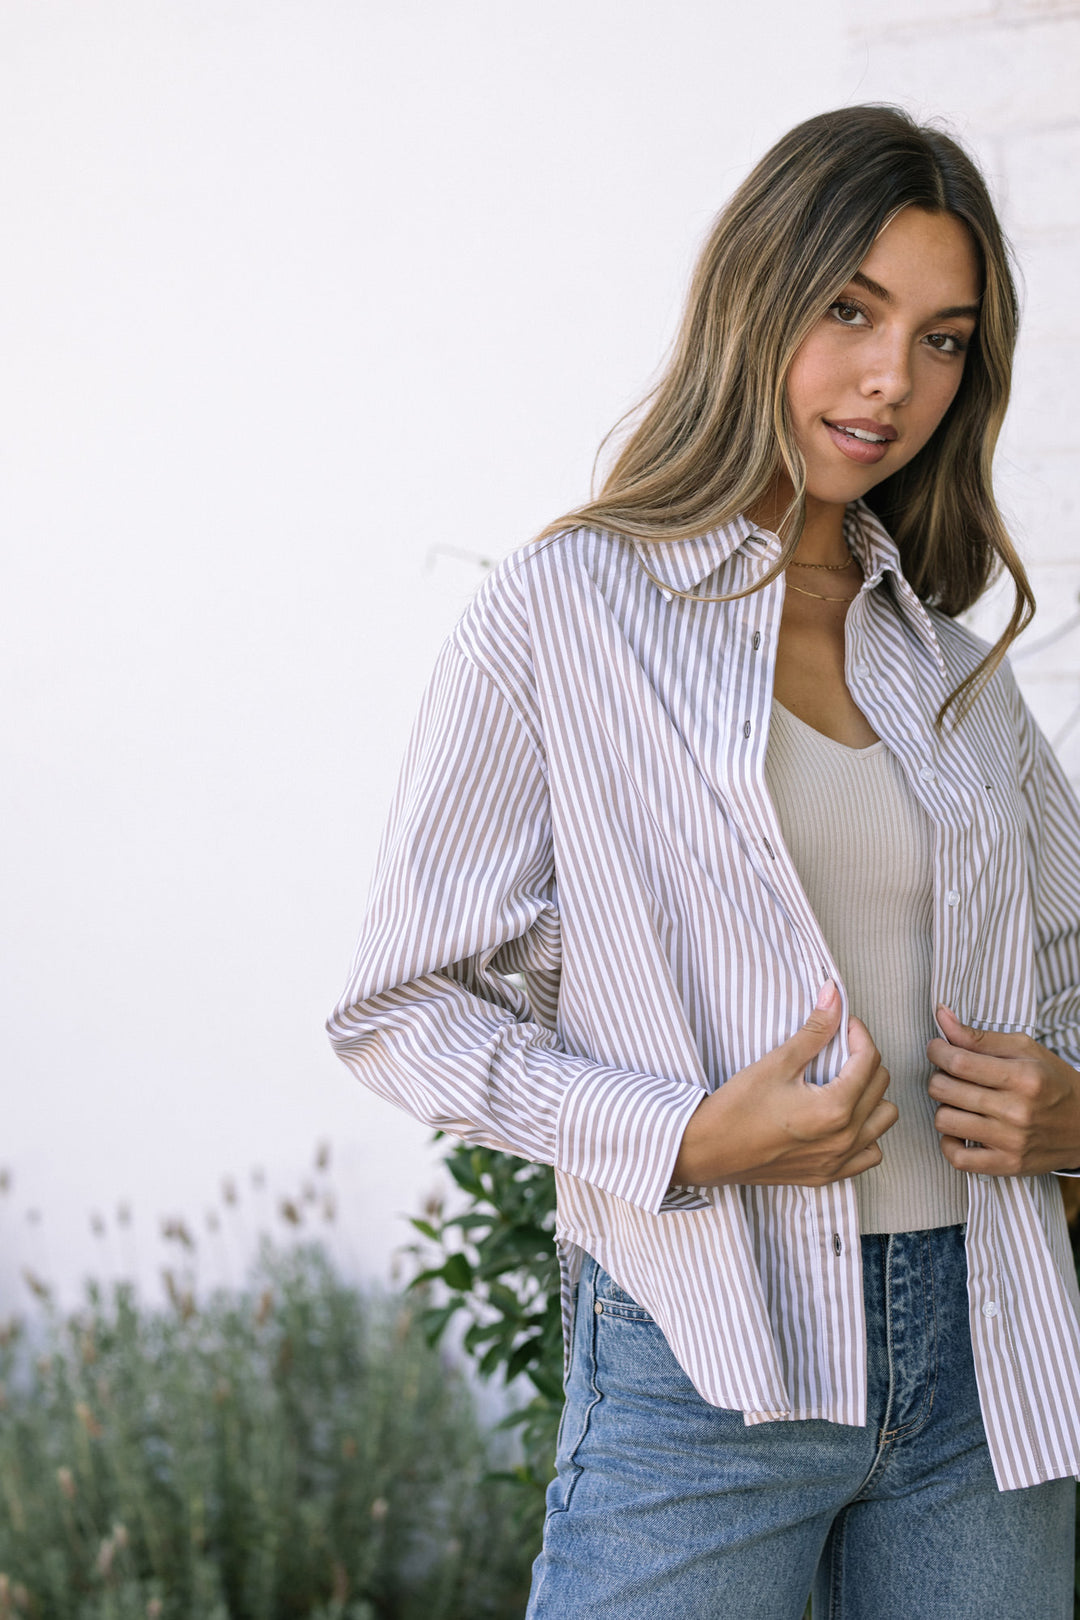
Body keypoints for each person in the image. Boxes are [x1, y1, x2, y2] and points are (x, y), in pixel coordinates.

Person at [327, 105, 1080, 1618]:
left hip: (988, 1366)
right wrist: (681, 1137)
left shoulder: (950, 668)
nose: (892, 380)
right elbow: (400, 1008)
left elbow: (1065, 967)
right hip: (705, 1360)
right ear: (757, 297)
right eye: (850, 310)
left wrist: (1075, 1110)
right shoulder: (567, 613)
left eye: (944, 339)